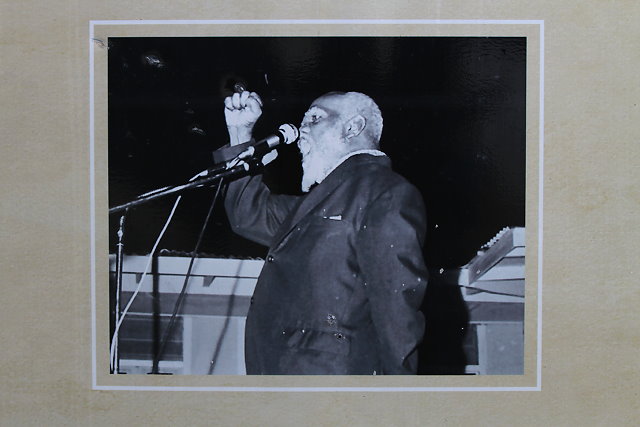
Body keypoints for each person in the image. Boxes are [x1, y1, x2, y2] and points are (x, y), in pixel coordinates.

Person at [223, 90, 428, 374]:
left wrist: (396, 394)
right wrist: (239, 133)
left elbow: (396, 309)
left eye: (314, 119)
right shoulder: (315, 203)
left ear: (353, 127)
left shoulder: (384, 191)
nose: (300, 132)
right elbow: (248, 215)